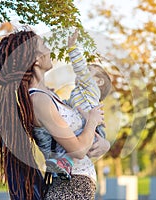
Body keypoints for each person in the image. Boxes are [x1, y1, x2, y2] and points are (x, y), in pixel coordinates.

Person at [0, 27, 110, 200]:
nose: (49, 49)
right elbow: (78, 150)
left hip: (74, 188)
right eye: (43, 46)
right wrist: (92, 121)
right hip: (69, 189)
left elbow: (83, 141)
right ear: (36, 61)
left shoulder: (50, 96)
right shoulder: (40, 101)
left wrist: (104, 143)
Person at [45, 30, 112, 180]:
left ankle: (66, 163)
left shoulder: (92, 89)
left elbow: (80, 70)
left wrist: (72, 48)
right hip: (84, 127)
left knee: (79, 145)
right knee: (72, 143)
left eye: (89, 71)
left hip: (94, 131)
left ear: (99, 81)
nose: (83, 74)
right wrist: (53, 95)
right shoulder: (77, 93)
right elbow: (67, 106)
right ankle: (65, 165)